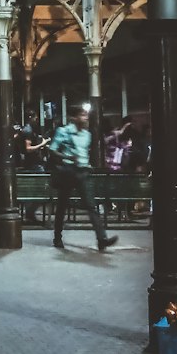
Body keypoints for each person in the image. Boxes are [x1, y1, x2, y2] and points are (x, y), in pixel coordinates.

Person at [47, 106, 117, 251]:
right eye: (82, 115)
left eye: (86, 115)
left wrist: (87, 164)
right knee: (62, 206)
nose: (85, 118)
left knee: (91, 206)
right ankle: (57, 237)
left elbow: (85, 152)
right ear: (74, 118)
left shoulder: (87, 135)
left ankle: (102, 239)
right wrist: (67, 157)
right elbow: (52, 150)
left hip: (83, 172)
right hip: (68, 171)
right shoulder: (64, 131)